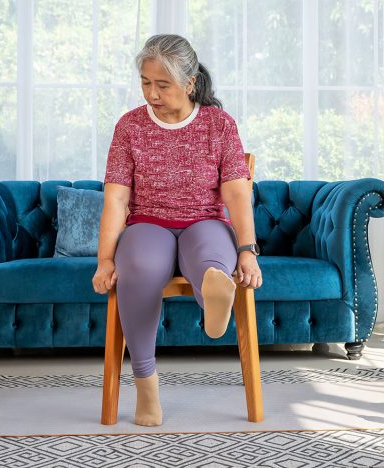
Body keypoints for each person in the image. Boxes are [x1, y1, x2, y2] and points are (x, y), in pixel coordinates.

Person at [92, 34, 262, 427]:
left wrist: (248, 249)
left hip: (205, 219)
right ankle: (147, 387)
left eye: (162, 85)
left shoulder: (219, 124)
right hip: (148, 222)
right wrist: (104, 259)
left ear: (190, 83)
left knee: (211, 261)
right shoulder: (129, 127)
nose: (151, 93)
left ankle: (214, 301)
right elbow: (116, 200)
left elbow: (236, 194)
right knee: (138, 268)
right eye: (145, 82)